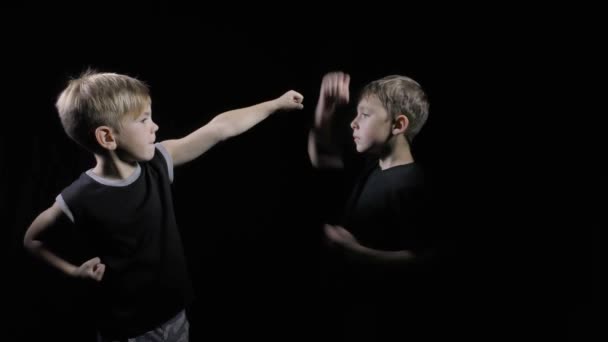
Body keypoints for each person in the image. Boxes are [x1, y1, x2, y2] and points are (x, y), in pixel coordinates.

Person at [23, 69, 304, 342]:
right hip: (126, 330)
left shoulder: (158, 162)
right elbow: (32, 239)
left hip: (173, 315)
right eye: (144, 119)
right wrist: (73, 273)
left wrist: (276, 104)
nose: (154, 126)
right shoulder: (78, 197)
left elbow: (220, 128)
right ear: (108, 137)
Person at [308, 71, 435, 341]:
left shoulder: (412, 184)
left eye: (364, 115)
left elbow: (428, 261)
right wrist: (324, 111)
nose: (353, 123)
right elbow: (321, 157)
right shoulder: (367, 166)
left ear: (398, 125)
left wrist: (358, 254)